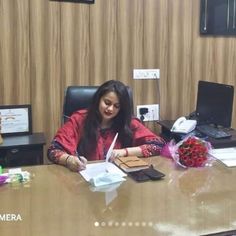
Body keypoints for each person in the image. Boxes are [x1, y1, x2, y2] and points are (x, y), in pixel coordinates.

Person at [47, 80, 166, 172]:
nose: (110, 109)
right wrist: (69, 160)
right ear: (98, 100)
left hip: (120, 182)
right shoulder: (80, 119)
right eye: (107, 103)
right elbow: (54, 151)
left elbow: (158, 146)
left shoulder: (128, 122)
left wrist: (124, 152)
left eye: (116, 106)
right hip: (84, 180)